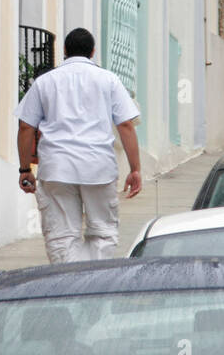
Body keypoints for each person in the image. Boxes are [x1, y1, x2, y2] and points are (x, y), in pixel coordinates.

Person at [15, 27, 142, 263]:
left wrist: (25, 169)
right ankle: (93, 280)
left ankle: (68, 281)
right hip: (98, 168)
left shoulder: (45, 82)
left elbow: (25, 127)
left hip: (56, 167)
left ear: (64, 50)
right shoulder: (109, 80)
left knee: (61, 236)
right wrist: (135, 169)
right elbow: (126, 125)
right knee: (103, 232)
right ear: (92, 51)